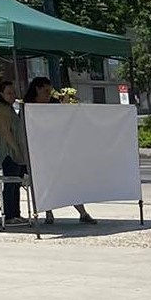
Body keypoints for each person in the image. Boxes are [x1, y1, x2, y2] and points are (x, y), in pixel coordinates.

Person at [24, 77, 96, 225]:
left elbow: (64, 121)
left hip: (57, 149)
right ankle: (49, 212)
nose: (48, 94)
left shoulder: (53, 103)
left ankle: (82, 212)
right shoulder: (28, 106)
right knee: (45, 182)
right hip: (39, 151)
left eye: (49, 91)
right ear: (37, 89)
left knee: (68, 181)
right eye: (46, 91)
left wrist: (66, 105)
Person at [0, 79, 29, 226]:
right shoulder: (2, 108)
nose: (12, 96)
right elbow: (5, 131)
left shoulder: (10, 108)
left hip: (16, 152)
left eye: (13, 93)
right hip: (9, 153)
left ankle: (15, 213)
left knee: (16, 184)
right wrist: (15, 149)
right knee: (10, 184)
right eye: (8, 93)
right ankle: (9, 215)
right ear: (1, 94)